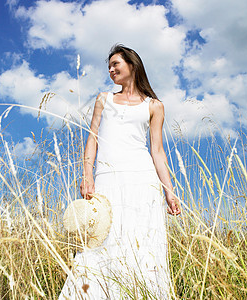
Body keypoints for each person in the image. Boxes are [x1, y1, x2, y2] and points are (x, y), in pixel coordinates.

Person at [59, 44, 181, 299]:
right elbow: (92, 138)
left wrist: (169, 191)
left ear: (132, 65)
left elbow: (157, 151)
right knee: (99, 240)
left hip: (142, 179)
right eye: (109, 66)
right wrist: (87, 174)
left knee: (142, 241)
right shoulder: (103, 99)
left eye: (116, 64)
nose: (111, 69)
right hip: (106, 179)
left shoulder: (154, 106)